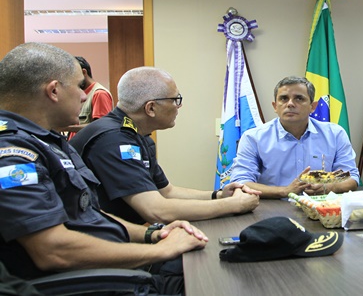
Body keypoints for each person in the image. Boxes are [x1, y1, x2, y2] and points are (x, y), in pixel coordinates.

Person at [0, 43, 207, 294]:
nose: (85, 95)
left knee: (199, 259)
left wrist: (153, 235)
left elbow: (89, 215)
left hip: (96, 264)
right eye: (79, 86)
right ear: (54, 91)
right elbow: (53, 250)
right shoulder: (12, 151)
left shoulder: (48, 142)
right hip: (70, 280)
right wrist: (159, 250)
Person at [70, 67, 260, 225]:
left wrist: (219, 195)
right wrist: (235, 205)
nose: (179, 106)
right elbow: (156, 211)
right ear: (151, 108)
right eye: (175, 100)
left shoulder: (138, 135)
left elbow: (167, 192)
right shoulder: (113, 139)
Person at [229, 76, 360, 199]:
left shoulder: (335, 134)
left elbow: (351, 178)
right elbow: (241, 182)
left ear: (312, 107)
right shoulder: (253, 138)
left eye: (299, 98)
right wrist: (285, 191)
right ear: (275, 106)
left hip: (322, 210)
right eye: (284, 99)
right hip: (272, 210)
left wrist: (329, 187)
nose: (290, 104)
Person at [62, 56, 113, 139]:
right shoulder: (81, 93)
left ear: (83, 72)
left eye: (72, 77)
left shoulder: (99, 93)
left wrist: (67, 127)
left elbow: (101, 127)